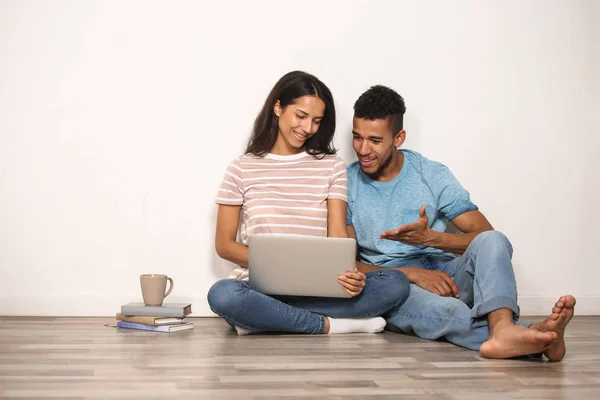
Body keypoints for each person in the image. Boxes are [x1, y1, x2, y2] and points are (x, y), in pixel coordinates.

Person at [346, 85, 575, 360]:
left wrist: (430, 238)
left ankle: (503, 328)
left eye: (374, 140)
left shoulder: (431, 174)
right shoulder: (346, 183)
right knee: (450, 313)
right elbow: (347, 263)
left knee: (494, 240)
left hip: (447, 272)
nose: (363, 149)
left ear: (399, 138)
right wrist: (415, 274)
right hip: (395, 283)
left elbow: (485, 238)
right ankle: (539, 337)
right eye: (357, 138)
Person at [207, 72, 409, 335]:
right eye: (300, 116)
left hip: (320, 287)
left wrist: (350, 274)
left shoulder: (331, 167)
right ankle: (326, 325)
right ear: (278, 107)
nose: (308, 128)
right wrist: (280, 265)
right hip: (257, 286)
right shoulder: (241, 169)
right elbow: (224, 245)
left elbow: (338, 238)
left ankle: (266, 318)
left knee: (395, 282)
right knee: (223, 294)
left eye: (316, 121)